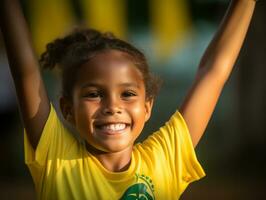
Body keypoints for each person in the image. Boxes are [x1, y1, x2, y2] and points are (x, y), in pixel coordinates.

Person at [0, 0, 257, 199]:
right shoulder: (56, 159)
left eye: (128, 94)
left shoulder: (166, 159)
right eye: (94, 94)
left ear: (147, 107)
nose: (113, 106)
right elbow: (26, 73)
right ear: (67, 109)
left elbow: (214, 72)